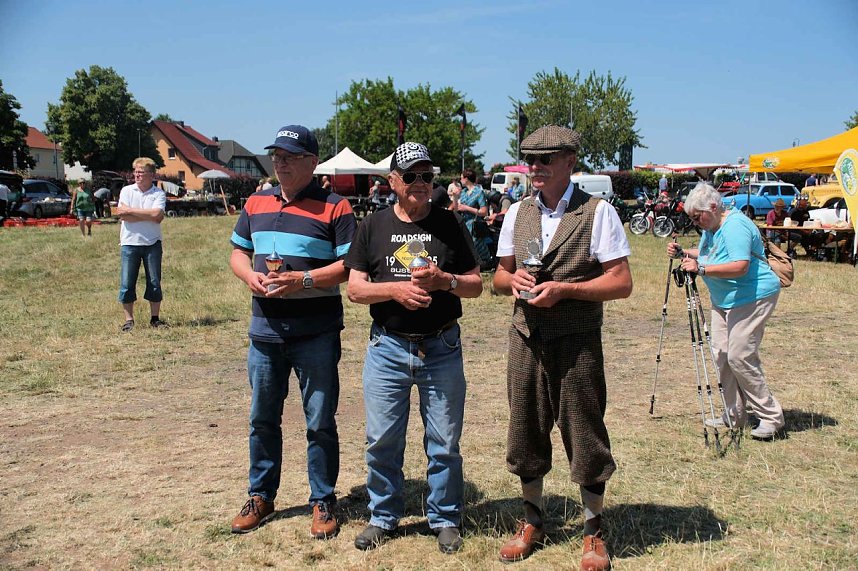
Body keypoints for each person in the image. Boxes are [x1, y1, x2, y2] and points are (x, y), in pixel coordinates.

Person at [493, 125, 632, 570]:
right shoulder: (518, 213)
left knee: (585, 433)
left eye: (545, 160)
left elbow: (621, 282)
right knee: (526, 429)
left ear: (570, 162)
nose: (534, 168)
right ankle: (532, 519)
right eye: (530, 160)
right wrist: (510, 282)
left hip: (576, 342)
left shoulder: (598, 212)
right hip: (526, 339)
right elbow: (499, 277)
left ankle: (593, 530)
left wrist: (565, 290)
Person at [344, 142, 482, 554]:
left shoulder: (449, 223)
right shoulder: (372, 225)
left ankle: (444, 518)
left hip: (441, 346)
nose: (421, 184)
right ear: (392, 182)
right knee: (382, 439)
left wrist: (447, 282)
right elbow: (354, 289)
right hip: (388, 347)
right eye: (411, 176)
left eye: (427, 176)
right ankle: (383, 517)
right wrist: (396, 291)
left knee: (444, 441)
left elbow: (477, 284)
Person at [228, 124, 357, 539]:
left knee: (319, 420)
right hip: (265, 330)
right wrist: (248, 275)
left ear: (311, 162)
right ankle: (261, 496)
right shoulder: (256, 201)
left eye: (289, 156)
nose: (279, 162)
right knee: (262, 417)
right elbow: (238, 252)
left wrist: (302, 281)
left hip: (316, 332)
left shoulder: (337, 207)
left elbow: (349, 267)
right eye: (276, 155)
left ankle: (322, 499)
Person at [667, 183, 785, 440]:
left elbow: (739, 265)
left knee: (740, 356)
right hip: (724, 299)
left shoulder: (735, 226)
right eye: (692, 219)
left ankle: (771, 417)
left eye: (698, 217)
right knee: (721, 354)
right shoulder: (713, 226)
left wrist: (701, 270)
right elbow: (711, 253)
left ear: (713, 206)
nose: (697, 223)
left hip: (752, 296)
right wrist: (685, 252)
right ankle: (734, 415)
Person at [116, 158, 168, 332]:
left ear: (151, 175)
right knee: (127, 282)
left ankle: (155, 318)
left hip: (152, 243)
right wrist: (148, 214)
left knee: (154, 281)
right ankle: (129, 320)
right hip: (129, 243)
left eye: (141, 172)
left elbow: (157, 215)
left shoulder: (158, 194)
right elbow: (122, 215)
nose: (137, 175)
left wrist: (131, 211)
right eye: (135, 171)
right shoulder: (126, 191)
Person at [449, 168, 491, 268]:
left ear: (466, 178)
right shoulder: (463, 192)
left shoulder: (478, 192)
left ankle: (485, 262)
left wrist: (467, 208)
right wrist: (455, 197)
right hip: (464, 223)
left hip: (475, 225)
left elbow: (484, 211)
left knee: (476, 245)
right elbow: (456, 209)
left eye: (461, 178)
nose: (460, 180)